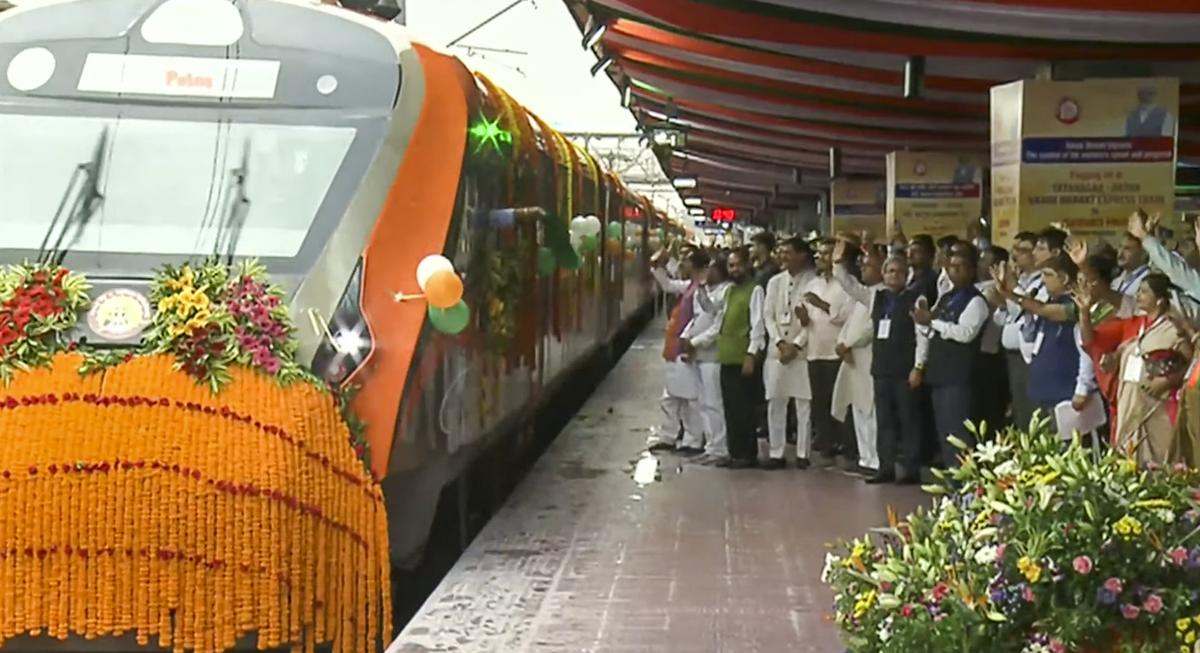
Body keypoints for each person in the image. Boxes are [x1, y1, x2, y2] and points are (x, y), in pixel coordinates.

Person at [834, 242, 922, 484]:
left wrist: (919, 366)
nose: (895, 275)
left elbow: (922, 335)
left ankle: (912, 469)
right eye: (890, 271)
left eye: (899, 271)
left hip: (905, 368)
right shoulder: (876, 297)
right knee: (884, 421)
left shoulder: (915, 298)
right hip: (881, 368)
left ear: (907, 276)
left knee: (907, 419)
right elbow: (849, 284)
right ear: (883, 275)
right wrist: (839, 261)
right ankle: (885, 468)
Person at [1079, 273, 1187, 465]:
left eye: (1145, 292)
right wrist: (1084, 313)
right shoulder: (1134, 324)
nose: (1138, 295)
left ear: (1160, 300)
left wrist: (1166, 381)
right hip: (1128, 402)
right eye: (1139, 290)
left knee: (1160, 463)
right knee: (1128, 462)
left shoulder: (1175, 328)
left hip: (1158, 405)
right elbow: (1092, 342)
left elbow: (1191, 362)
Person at [913, 244, 990, 469]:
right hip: (940, 373)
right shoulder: (947, 297)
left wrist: (932, 321)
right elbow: (933, 325)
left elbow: (965, 333)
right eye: (951, 266)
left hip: (959, 376)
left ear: (971, 270)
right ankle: (952, 480)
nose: (953, 271)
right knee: (945, 433)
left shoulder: (976, 300)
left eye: (959, 267)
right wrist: (922, 322)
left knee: (959, 433)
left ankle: (965, 484)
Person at [648, 247, 710, 453]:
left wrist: (690, 342)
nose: (681, 263)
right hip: (676, 347)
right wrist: (658, 266)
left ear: (696, 264)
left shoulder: (702, 288)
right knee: (673, 396)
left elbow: (702, 320)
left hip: (686, 348)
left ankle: (692, 439)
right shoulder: (691, 285)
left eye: (686, 260)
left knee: (690, 398)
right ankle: (670, 435)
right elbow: (667, 285)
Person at [800, 238, 855, 468]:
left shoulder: (847, 284)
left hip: (837, 351)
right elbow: (807, 315)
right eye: (819, 254)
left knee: (839, 401)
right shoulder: (813, 284)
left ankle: (847, 446)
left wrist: (821, 305)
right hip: (814, 349)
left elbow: (846, 315)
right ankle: (826, 445)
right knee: (819, 402)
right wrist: (802, 317)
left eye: (825, 254)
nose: (819, 258)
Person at [762, 237, 816, 470]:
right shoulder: (775, 282)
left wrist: (796, 345)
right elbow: (768, 316)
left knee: (803, 404)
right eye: (781, 252)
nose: (783, 257)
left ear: (802, 255)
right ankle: (777, 452)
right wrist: (779, 342)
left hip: (802, 352)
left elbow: (813, 319)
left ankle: (803, 453)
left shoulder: (813, 282)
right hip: (777, 352)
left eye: (788, 252)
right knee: (776, 402)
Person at [832, 243, 882, 476]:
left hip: (868, 357)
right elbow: (850, 323)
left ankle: (875, 459)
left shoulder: (881, 294)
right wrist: (841, 344)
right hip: (852, 359)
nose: (863, 269)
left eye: (869, 266)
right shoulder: (866, 295)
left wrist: (849, 344)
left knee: (870, 410)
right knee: (857, 410)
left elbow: (870, 328)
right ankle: (865, 458)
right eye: (862, 265)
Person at [714, 247, 766, 469]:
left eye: (738, 265)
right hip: (726, 356)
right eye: (731, 266)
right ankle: (734, 452)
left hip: (742, 357)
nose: (734, 270)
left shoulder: (754, 291)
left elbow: (758, 326)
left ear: (748, 266)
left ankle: (747, 454)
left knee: (743, 408)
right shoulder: (730, 291)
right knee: (730, 408)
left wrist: (751, 354)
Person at [680, 254, 734, 465]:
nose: (707, 273)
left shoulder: (726, 291)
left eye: (712, 269)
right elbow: (696, 318)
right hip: (698, 354)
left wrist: (695, 342)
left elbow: (717, 326)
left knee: (714, 403)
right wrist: (686, 337)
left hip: (714, 355)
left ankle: (720, 448)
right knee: (703, 402)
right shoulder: (702, 292)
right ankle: (710, 445)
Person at [988, 231, 1041, 429]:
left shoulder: (1042, 282)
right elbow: (1008, 318)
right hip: (1011, 355)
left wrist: (1011, 289)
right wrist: (1002, 304)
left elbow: (1031, 310)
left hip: (1029, 355)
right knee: (1020, 412)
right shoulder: (1022, 280)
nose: (1015, 254)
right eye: (1014, 249)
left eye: (1022, 249)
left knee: (1032, 413)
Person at [975, 245, 1010, 432]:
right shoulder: (975, 287)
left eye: (984, 260)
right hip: (978, 355)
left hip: (990, 354)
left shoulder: (992, 291)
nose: (979, 263)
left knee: (990, 410)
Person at [1113, 232, 1150, 299]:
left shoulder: (1149, 280)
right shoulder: (1116, 281)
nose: (1120, 254)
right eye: (1120, 247)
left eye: (1127, 249)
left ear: (1143, 253)